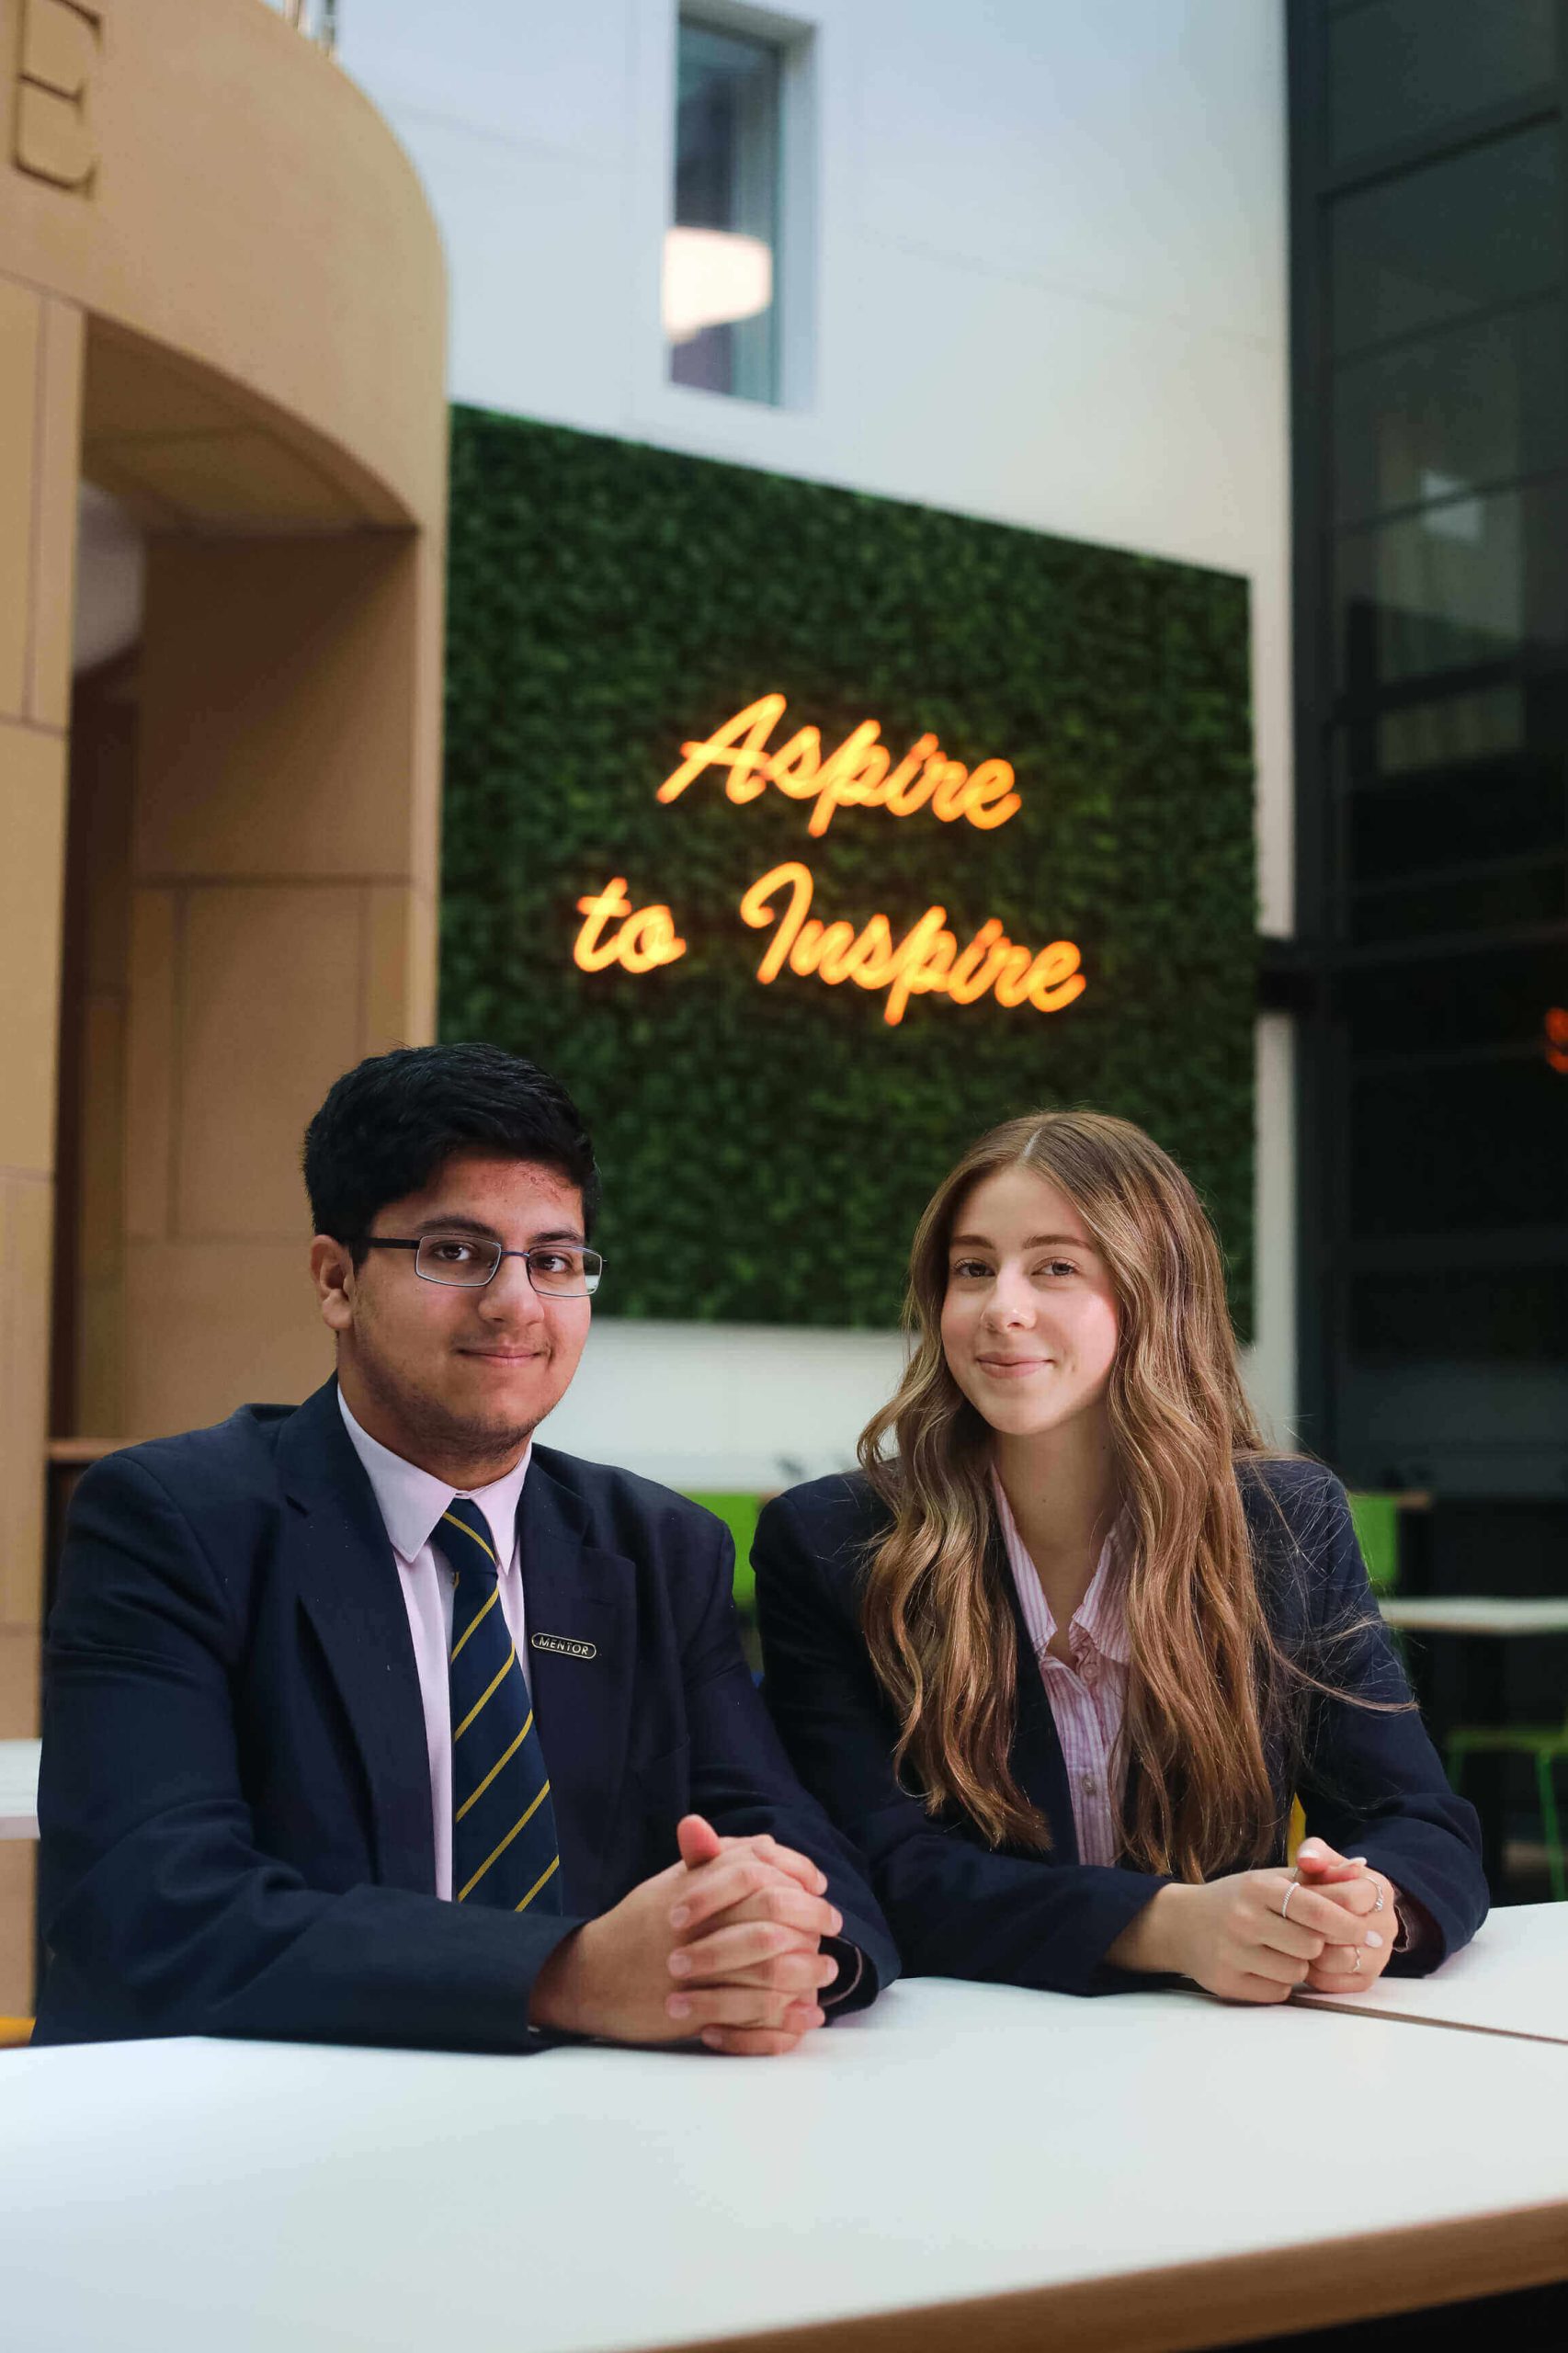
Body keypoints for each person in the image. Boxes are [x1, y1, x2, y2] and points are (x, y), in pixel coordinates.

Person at [37, 1044, 896, 2052]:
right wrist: (560, 1976)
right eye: (454, 1253)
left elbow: (800, 1853)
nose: (516, 1303)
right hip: (246, 2136)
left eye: (555, 1259)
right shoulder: (175, 1520)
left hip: (584, 2137)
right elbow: (152, 1907)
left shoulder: (659, 1550)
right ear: (334, 1279)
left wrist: (782, 1949)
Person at [755, 1111, 1487, 2003]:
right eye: (972, 1269)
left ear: (1153, 1291)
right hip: (958, 2061)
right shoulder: (834, 1541)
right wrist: (1172, 1923)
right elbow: (879, 1871)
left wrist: (1370, 1908)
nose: (1002, 1307)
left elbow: (1413, 1818)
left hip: (1221, 2060)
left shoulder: (1281, 1524)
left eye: (1054, 1267)